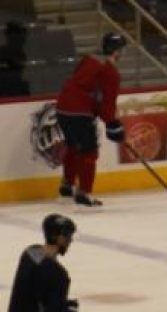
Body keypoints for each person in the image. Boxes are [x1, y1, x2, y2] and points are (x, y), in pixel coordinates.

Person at [55, 32, 127, 206]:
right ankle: (84, 193)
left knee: (72, 146)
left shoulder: (89, 59)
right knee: (89, 151)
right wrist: (112, 123)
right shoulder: (111, 72)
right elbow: (107, 103)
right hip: (79, 112)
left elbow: (84, 87)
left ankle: (67, 185)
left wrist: (108, 120)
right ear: (117, 51)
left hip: (62, 107)